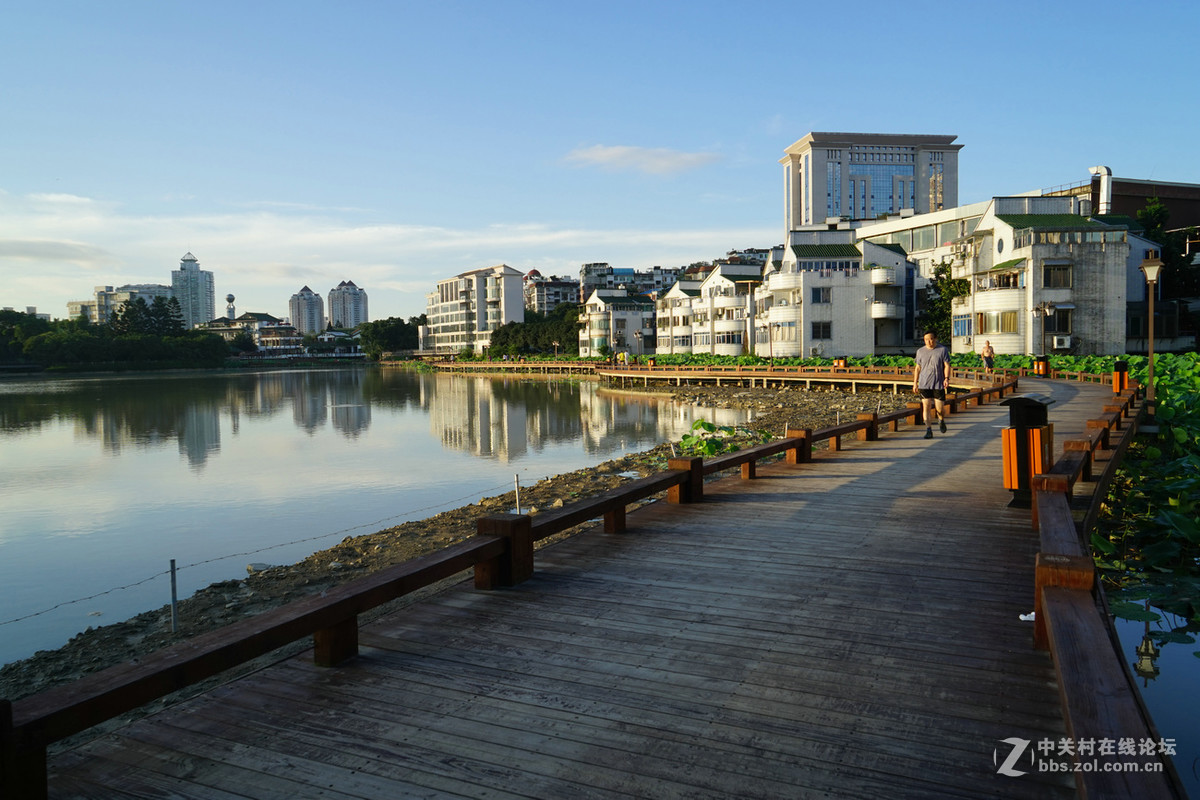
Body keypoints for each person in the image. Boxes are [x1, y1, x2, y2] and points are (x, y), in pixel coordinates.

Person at [913, 332, 952, 439]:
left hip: (938, 383)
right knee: (926, 407)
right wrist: (915, 383)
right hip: (924, 383)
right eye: (926, 339)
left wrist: (946, 379)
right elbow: (918, 368)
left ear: (935, 339)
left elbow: (947, 365)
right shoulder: (920, 351)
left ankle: (941, 420)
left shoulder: (942, 350)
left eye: (931, 339)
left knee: (940, 409)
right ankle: (928, 430)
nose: (929, 342)